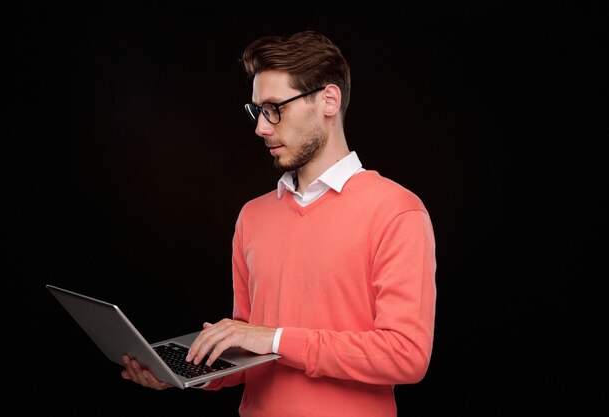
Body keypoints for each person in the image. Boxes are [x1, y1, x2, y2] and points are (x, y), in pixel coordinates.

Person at [121, 30, 437, 417]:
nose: (261, 128)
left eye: (275, 108)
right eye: (257, 111)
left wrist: (274, 338)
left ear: (328, 100)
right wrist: (190, 371)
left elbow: (406, 355)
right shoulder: (252, 216)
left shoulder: (397, 210)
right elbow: (249, 350)